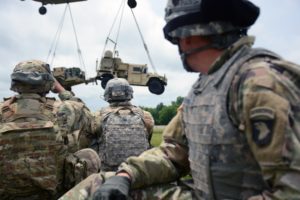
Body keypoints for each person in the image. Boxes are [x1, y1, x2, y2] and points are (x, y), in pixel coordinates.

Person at [60, 0, 300, 199]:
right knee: (98, 186)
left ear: (191, 36)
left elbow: (292, 189)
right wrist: (127, 175)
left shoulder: (260, 83)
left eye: (177, 36)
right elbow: (173, 153)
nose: (178, 45)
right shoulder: (205, 86)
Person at [0, 60, 100, 199]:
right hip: (54, 194)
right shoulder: (65, 109)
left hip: (6, 195)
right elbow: (89, 117)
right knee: (88, 155)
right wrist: (60, 89)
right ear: (47, 83)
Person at [92, 77, 154, 171]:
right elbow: (148, 139)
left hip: (109, 174)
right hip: (138, 172)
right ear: (129, 93)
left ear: (107, 94)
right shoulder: (145, 115)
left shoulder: (98, 116)